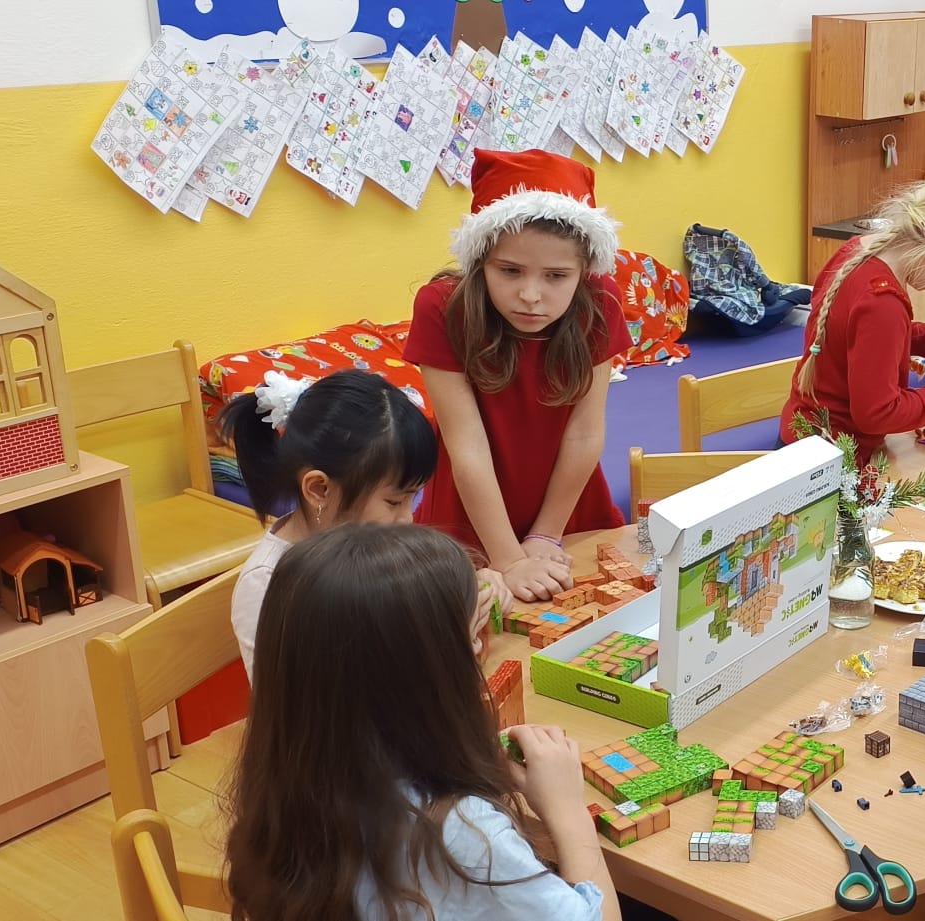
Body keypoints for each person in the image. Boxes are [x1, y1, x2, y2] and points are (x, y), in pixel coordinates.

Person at [224, 524, 619, 921]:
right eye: (472, 635)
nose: (480, 648)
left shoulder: (286, 785)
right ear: (423, 676)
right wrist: (568, 811)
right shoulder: (464, 835)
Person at [408, 150, 634, 604]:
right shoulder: (442, 307)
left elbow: (584, 432)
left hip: (567, 506)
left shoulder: (600, 303)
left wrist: (546, 534)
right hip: (472, 516)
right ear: (480, 261)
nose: (531, 295)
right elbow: (467, 443)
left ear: (583, 271)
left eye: (556, 276)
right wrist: (509, 560)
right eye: (509, 271)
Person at [220, 368, 465, 679]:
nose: (408, 518)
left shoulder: (372, 544)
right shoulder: (268, 584)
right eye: (394, 502)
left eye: (414, 498)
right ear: (319, 489)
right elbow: (295, 702)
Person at [780, 173, 925, 464]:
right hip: (830, 464)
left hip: (805, 438)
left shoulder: (861, 249)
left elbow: (858, 340)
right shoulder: (883, 302)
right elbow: (879, 414)